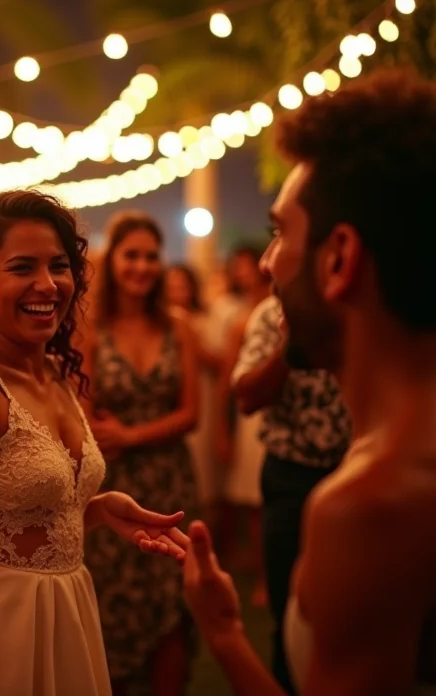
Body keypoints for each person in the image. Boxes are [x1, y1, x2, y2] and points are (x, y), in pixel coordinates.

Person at [184, 69, 436, 694]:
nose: (267, 264)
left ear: (340, 258)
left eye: (279, 233)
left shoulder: (370, 507)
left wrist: (221, 636)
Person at [0, 191, 189, 696]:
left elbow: (7, 514)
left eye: (59, 266)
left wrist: (98, 509)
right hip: (1, 626)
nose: (47, 284)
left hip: (70, 610)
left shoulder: (56, 374)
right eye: (22, 268)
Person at [83, 213, 199, 696]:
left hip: (170, 478)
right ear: (113, 263)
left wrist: (132, 435)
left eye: (152, 256)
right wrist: (116, 439)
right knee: (115, 601)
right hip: (113, 487)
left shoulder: (179, 326)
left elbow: (191, 412)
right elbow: (83, 412)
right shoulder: (90, 330)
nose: (143, 266)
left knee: (172, 598)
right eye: (131, 255)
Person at [232, 294, 350, 693]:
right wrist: (291, 343)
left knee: (357, 617)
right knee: (289, 617)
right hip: (291, 477)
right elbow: (247, 396)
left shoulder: (367, 306)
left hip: (356, 474)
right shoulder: (271, 313)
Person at [216, 245, 270, 604]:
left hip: (278, 412)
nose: (243, 273)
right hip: (252, 421)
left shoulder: (284, 310)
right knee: (254, 500)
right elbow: (226, 381)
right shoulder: (240, 320)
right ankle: (263, 577)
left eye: (248, 266)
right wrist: (223, 430)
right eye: (238, 267)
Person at [165, 263, 223, 516]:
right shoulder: (161, 322)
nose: (177, 290)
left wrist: (194, 342)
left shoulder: (204, 319)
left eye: (182, 285)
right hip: (170, 399)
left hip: (204, 395)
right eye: (172, 285)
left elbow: (220, 363)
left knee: (203, 467)